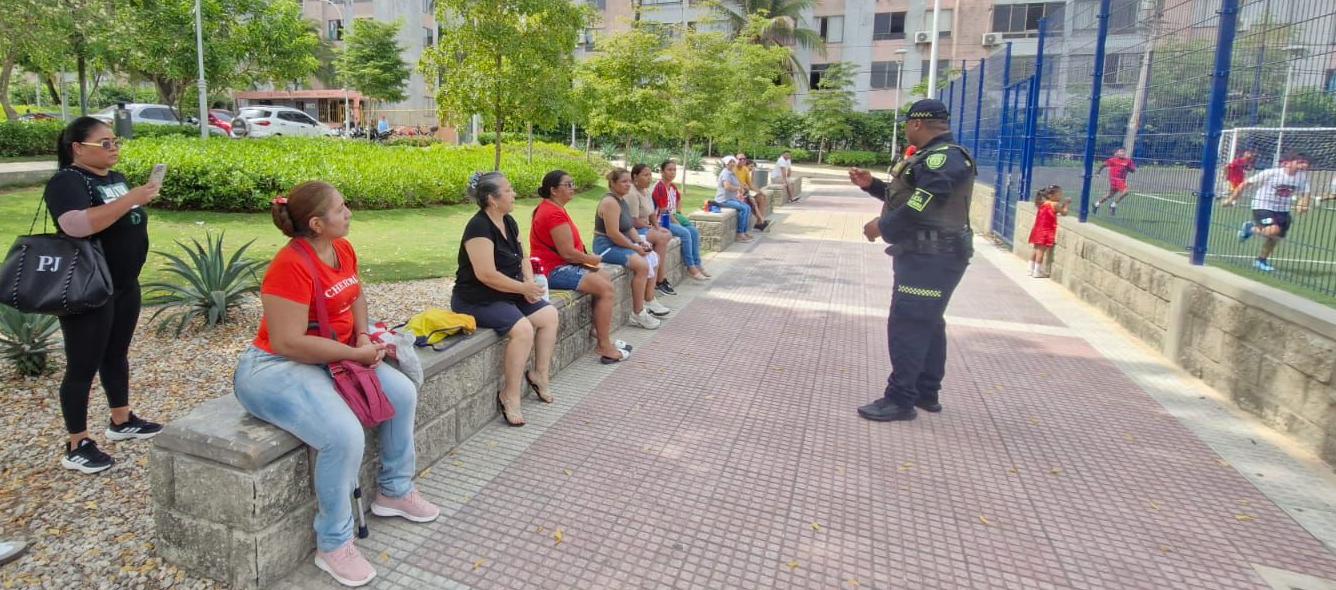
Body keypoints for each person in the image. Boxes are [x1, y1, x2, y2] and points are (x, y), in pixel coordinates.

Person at [235, 181, 438, 587]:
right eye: (341, 208)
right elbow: (288, 342)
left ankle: (394, 491)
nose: (349, 213)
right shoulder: (288, 267)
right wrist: (353, 355)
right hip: (275, 367)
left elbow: (355, 296)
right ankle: (333, 543)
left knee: (401, 393)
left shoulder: (342, 249)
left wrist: (362, 337)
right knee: (342, 435)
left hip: (334, 353)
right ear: (316, 223)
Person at [45, 117, 163, 474]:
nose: (114, 149)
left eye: (115, 142)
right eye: (105, 144)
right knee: (82, 365)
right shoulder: (68, 181)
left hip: (124, 284)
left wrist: (132, 199)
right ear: (77, 148)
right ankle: (77, 442)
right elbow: (76, 224)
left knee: (116, 354)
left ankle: (121, 419)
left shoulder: (114, 179)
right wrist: (131, 199)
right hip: (88, 286)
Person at [848, 99, 976, 422]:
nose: (906, 129)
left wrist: (882, 227)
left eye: (907, 124)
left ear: (917, 124)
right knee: (929, 322)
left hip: (931, 258)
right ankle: (926, 391)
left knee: (908, 324)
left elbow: (923, 205)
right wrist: (872, 186)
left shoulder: (941, 160)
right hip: (931, 256)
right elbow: (908, 196)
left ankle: (900, 399)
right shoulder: (936, 157)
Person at [452, 171, 559, 426]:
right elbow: (486, 274)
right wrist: (523, 289)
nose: (514, 194)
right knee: (522, 330)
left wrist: (530, 283)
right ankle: (509, 396)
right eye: (509, 190)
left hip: (510, 291)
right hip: (477, 298)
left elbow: (522, 258)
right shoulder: (479, 227)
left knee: (549, 315)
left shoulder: (509, 221)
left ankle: (539, 375)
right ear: (492, 198)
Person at [530, 170, 633, 364]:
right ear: (553, 190)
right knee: (605, 288)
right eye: (568, 185)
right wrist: (590, 259)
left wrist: (591, 263)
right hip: (553, 270)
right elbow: (567, 253)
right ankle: (603, 345)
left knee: (604, 277)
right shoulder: (553, 214)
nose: (573, 188)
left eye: (573, 183)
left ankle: (600, 331)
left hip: (561, 265)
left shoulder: (554, 208)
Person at [595, 168, 672, 328]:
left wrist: (640, 242)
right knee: (642, 265)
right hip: (606, 247)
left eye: (629, 181)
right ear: (613, 183)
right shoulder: (610, 202)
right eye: (624, 181)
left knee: (653, 257)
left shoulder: (621, 201)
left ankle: (649, 300)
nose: (628, 185)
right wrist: (635, 248)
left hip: (617, 243)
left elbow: (629, 227)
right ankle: (638, 313)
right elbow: (613, 234)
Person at [1225, 152, 1311, 273]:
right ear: (1287, 163)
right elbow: (1246, 183)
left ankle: (1261, 261)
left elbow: (1306, 193)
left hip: (1283, 210)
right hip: (1263, 205)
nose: (1304, 166)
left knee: (1276, 237)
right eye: (1300, 162)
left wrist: (1303, 204)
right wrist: (1231, 199)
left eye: (1306, 163)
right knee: (1273, 230)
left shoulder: (1302, 177)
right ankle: (1249, 229)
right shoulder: (1272, 173)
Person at [652, 160, 710, 281]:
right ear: (662, 171)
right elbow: (664, 211)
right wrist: (677, 223)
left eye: (674, 170)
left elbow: (678, 200)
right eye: (669, 170)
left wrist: (678, 214)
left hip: (671, 218)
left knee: (693, 231)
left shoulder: (672, 187)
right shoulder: (660, 187)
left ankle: (698, 264)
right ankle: (691, 267)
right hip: (661, 222)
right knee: (685, 233)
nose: (672, 172)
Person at [628, 163, 676, 295]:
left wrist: (657, 227)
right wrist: (650, 227)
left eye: (650, 175)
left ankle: (659, 279)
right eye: (645, 175)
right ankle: (660, 280)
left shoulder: (646, 191)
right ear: (635, 176)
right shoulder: (632, 193)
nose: (649, 178)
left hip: (644, 226)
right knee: (661, 237)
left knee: (665, 234)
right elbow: (633, 220)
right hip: (634, 230)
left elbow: (651, 214)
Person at [1027, 185, 1070, 278]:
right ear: (1051, 195)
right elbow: (1064, 212)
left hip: (1037, 229)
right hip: (1046, 231)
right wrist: (1066, 204)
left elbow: (1055, 211)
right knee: (1041, 251)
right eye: (1059, 194)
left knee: (1035, 249)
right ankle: (1037, 271)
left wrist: (1061, 205)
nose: (1060, 196)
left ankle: (1030, 268)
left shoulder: (1043, 202)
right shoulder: (1054, 204)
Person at [715, 156, 755, 242]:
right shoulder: (726, 173)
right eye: (731, 162)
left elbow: (738, 185)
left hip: (731, 198)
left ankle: (744, 232)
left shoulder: (731, 172)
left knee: (748, 207)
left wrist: (740, 191)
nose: (733, 164)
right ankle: (739, 234)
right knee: (744, 208)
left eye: (734, 162)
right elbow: (727, 187)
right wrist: (738, 189)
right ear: (726, 164)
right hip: (723, 200)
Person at [1092, 147, 1136, 216]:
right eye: (1121, 151)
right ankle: (1113, 204)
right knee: (1126, 192)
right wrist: (1098, 172)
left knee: (1110, 195)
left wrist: (1130, 168)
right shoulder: (1113, 160)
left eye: (1124, 152)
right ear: (1117, 153)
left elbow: (1133, 170)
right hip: (1115, 179)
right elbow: (1103, 165)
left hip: (1121, 180)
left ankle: (1096, 204)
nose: (1122, 153)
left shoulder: (1128, 161)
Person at [734, 153, 770, 231]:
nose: (742, 160)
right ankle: (760, 221)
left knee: (761, 197)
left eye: (744, 159)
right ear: (736, 160)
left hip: (745, 193)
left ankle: (758, 223)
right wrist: (744, 188)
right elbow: (737, 184)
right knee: (751, 203)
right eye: (740, 159)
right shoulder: (734, 170)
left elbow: (750, 185)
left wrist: (760, 192)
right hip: (737, 194)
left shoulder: (745, 169)